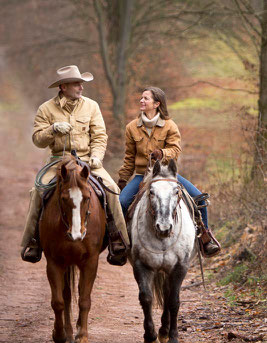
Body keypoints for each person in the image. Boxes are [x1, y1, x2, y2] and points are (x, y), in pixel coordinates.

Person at [21, 65, 129, 266]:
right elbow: (37, 140)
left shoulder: (91, 106)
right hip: (57, 163)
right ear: (63, 87)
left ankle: (118, 239)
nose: (81, 87)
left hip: (88, 161)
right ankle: (33, 240)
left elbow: (99, 136)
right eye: (76, 84)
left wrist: (97, 156)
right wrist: (52, 129)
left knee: (112, 190)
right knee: (37, 191)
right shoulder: (46, 109)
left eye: (81, 83)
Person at [118, 86, 221, 257]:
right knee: (121, 203)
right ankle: (120, 242)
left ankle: (205, 237)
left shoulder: (169, 126)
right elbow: (129, 156)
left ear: (157, 103)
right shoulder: (131, 127)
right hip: (141, 175)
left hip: (166, 175)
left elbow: (175, 150)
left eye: (146, 98)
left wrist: (163, 153)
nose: (141, 101)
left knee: (199, 199)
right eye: (141, 98)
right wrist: (123, 178)